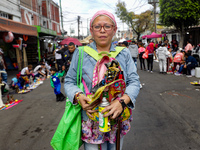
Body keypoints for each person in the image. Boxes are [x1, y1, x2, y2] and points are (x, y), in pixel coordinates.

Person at [65, 10, 140, 150]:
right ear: (91, 30)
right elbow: (69, 81)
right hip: (91, 118)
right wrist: (78, 96)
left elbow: (134, 81)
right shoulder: (80, 53)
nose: (102, 30)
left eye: (107, 26)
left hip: (116, 117)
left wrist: (122, 101)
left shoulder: (124, 53)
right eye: (98, 26)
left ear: (114, 30)